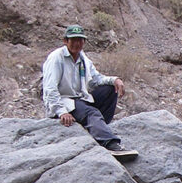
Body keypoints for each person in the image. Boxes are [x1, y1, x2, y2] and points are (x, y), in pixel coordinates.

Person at [42, 25, 136, 160]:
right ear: (65, 41)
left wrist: (114, 80)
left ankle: (99, 127)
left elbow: (95, 79)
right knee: (91, 112)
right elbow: (50, 89)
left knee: (110, 90)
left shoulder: (83, 58)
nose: (76, 44)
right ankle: (110, 144)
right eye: (73, 40)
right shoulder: (56, 58)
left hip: (80, 99)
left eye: (80, 40)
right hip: (64, 101)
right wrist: (61, 111)